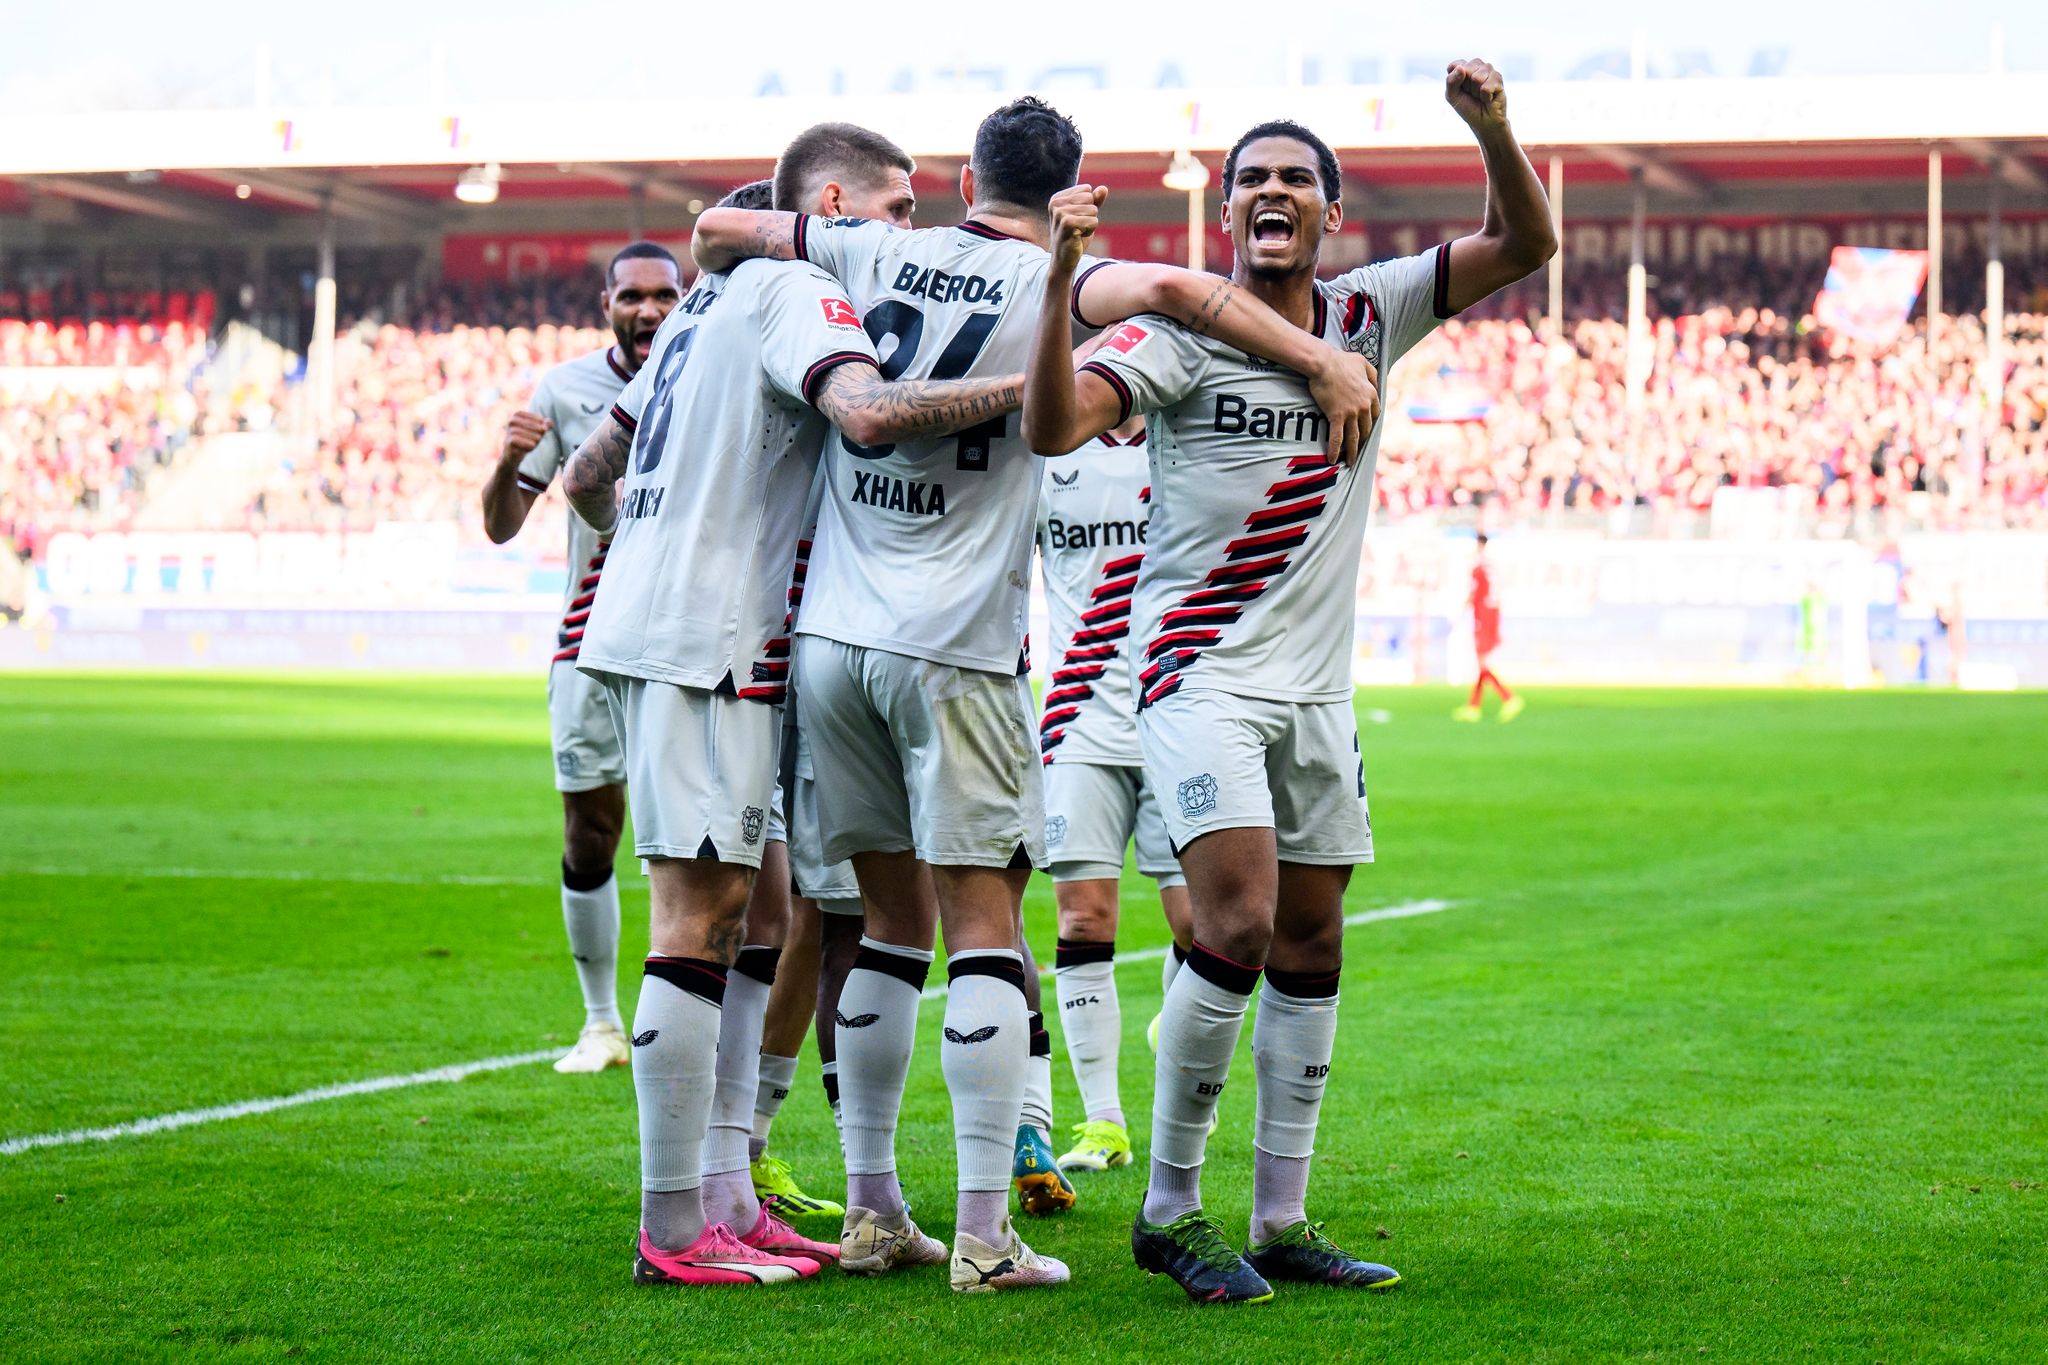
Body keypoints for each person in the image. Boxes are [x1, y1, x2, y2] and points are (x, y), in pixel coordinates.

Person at [693, 95, 1385, 1295]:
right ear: (1072, 182)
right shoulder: (1069, 281)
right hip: (956, 644)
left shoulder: (873, 244)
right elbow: (1177, 296)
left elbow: (718, 229)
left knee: (875, 928)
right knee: (975, 930)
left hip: (831, 639)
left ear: (965, 177)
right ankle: (982, 1237)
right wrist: (1319, 350)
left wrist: (771, 238)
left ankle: (869, 1211)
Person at [1020, 60, 1556, 1303]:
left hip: (1317, 693)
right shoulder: (1171, 334)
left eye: (1293, 181)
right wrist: (1060, 289)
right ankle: (1165, 1208)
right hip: (1197, 677)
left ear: (1329, 214)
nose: (1271, 192)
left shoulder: (1370, 313)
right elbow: (1055, 428)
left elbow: (1522, 241)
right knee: (1241, 922)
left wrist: (1489, 126)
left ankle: (1279, 1218)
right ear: (1225, 218)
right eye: (1249, 179)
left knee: (1314, 937)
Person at [559, 127, 1029, 1291]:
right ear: (828, 202)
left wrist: (651, 552)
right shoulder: (800, 287)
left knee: (763, 907)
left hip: (680, 625)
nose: (909, 232)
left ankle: (727, 1189)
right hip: (711, 639)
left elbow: (581, 481)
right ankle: (675, 1227)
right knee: (701, 918)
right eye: (898, 207)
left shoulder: (696, 309)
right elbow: (866, 417)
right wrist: (1039, 391)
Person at [478, 242, 681, 1074]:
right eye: (631, 295)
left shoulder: (714, 372)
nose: (647, 310)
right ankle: (602, 1023)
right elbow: (501, 524)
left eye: (664, 294)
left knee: (699, 843)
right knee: (592, 832)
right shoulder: (565, 390)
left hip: (691, 644)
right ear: (607, 303)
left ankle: (690, 1030)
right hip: (592, 641)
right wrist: (504, 462)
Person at [1034, 411, 1196, 1181]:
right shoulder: (1047, 449)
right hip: (1076, 720)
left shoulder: (1188, 440)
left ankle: (1184, 1021)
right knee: (1082, 915)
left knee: (1209, 927)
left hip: (1180, 710)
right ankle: (1104, 1119)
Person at [1454, 532, 1522, 721]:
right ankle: (1474, 707)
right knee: (1482, 664)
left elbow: (1474, 593)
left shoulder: (1478, 567)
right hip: (1493, 615)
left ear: (1478, 545)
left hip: (1482, 617)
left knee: (1483, 663)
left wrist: (1461, 612)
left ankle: (1508, 698)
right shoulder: (1493, 565)